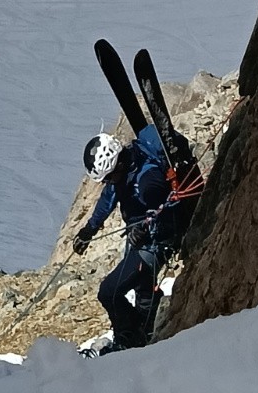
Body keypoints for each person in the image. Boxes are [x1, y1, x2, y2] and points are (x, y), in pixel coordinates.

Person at [70, 126, 184, 353]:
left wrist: (146, 228)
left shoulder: (146, 181)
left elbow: (167, 208)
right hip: (141, 241)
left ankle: (129, 340)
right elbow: (108, 198)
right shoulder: (125, 173)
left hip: (155, 245)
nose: (108, 182)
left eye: (109, 177)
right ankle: (143, 336)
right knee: (144, 290)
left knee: (109, 292)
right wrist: (88, 231)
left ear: (118, 165)